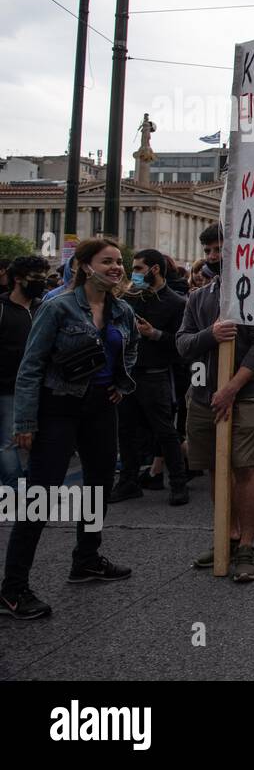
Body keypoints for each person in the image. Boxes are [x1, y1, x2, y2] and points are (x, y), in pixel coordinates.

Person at [0, 239, 139, 620]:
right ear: (82, 265)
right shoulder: (57, 306)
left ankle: (87, 559)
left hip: (100, 409)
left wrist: (122, 385)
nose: (115, 267)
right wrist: (25, 422)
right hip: (58, 408)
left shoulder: (122, 310)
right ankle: (12, 589)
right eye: (106, 261)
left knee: (98, 486)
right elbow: (31, 366)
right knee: (40, 497)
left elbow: (130, 349)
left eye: (118, 262)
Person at [177, 225, 254, 584]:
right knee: (214, 468)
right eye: (209, 251)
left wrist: (232, 388)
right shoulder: (198, 298)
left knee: (245, 467)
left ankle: (247, 546)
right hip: (203, 395)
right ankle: (227, 537)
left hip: (244, 395)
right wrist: (211, 335)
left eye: (220, 249)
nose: (214, 257)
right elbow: (183, 343)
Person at [110, 249, 189, 506]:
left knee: (165, 431)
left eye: (140, 268)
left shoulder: (176, 303)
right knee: (126, 431)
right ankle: (128, 482)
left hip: (156, 377)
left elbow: (181, 344)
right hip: (128, 375)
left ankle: (178, 483)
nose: (135, 274)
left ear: (155, 269)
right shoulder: (130, 298)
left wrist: (154, 333)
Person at [0, 255, 49, 489]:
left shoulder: (45, 308)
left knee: (41, 442)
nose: (41, 282)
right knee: (9, 443)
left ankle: (35, 485)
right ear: (17, 278)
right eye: (35, 278)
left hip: (43, 387)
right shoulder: (2, 308)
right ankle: (15, 489)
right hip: (8, 388)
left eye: (44, 277)